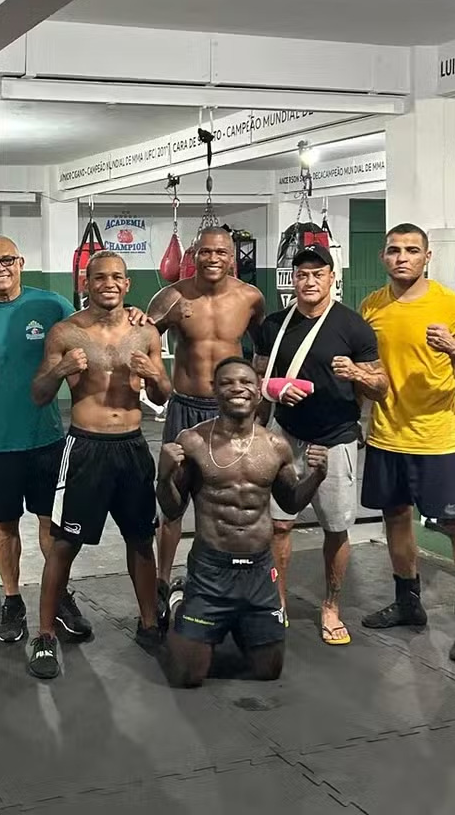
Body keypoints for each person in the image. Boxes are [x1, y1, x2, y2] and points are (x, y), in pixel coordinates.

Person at [0, 234, 129, 643]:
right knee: (4, 525)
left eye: (6, 260)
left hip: (44, 435)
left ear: (21, 261)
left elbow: (95, 326)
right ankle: (12, 600)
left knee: (53, 523)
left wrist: (134, 317)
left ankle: (58, 595)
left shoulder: (50, 305)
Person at [27, 252, 170, 679]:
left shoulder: (146, 333)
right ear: (85, 283)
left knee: (141, 540)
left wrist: (154, 376)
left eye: (117, 277)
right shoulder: (65, 332)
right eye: (99, 277)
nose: (108, 283)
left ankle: (148, 624)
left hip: (131, 446)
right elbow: (38, 394)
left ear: (127, 285)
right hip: (85, 448)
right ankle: (47, 635)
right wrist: (61, 371)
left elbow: (163, 395)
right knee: (64, 544)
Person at [358, 223, 455, 663]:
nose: (402, 257)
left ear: (427, 257)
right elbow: (369, 372)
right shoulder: (371, 307)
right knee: (395, 517)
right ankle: (408, 602)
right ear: (383, 257)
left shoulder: (454, 306)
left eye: (412, 250)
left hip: (437, 439)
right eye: (394, 250)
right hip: (385, 433)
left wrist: (454, 347)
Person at [157, 357, 328, 687]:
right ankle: (182, 602)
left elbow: (290, 500)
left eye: (246, 382)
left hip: (259, 574)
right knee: (187, 677)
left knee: (269, 671)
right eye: (227, 382)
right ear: (215, 391)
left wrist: (317, 476)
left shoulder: (275, 446)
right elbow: (173, 510)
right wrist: (163, 478)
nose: (237, 388)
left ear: (258, 392)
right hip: (211, 572)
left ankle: (236, 624)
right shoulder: (192, 441)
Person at [254, 244, 387, 645]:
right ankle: (277, 603)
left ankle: (331, 606)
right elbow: (258, 380)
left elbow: (382, 389)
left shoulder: (354, 327)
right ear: (292, 280)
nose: (309, 281)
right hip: (285, 437)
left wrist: (359, 375)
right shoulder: (274, 325)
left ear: (332, 278)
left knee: (335, 527)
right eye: (301, 275)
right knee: (279, 525)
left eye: (317, 274)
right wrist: (276, 393)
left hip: (334, 440)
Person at [147, 227, 265, 617]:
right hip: (184, 406)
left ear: (232, 257)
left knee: (228, 500)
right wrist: (151, 372)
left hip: (228, 413)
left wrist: (259, 402)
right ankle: (161, 582)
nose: (212, 259)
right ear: (193, 255)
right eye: (205, 252)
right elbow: (143, 337)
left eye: (221, 252)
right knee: (174, 502)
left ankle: (230, 578)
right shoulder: (173, 295)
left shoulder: (250, 298)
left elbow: (265, 349)